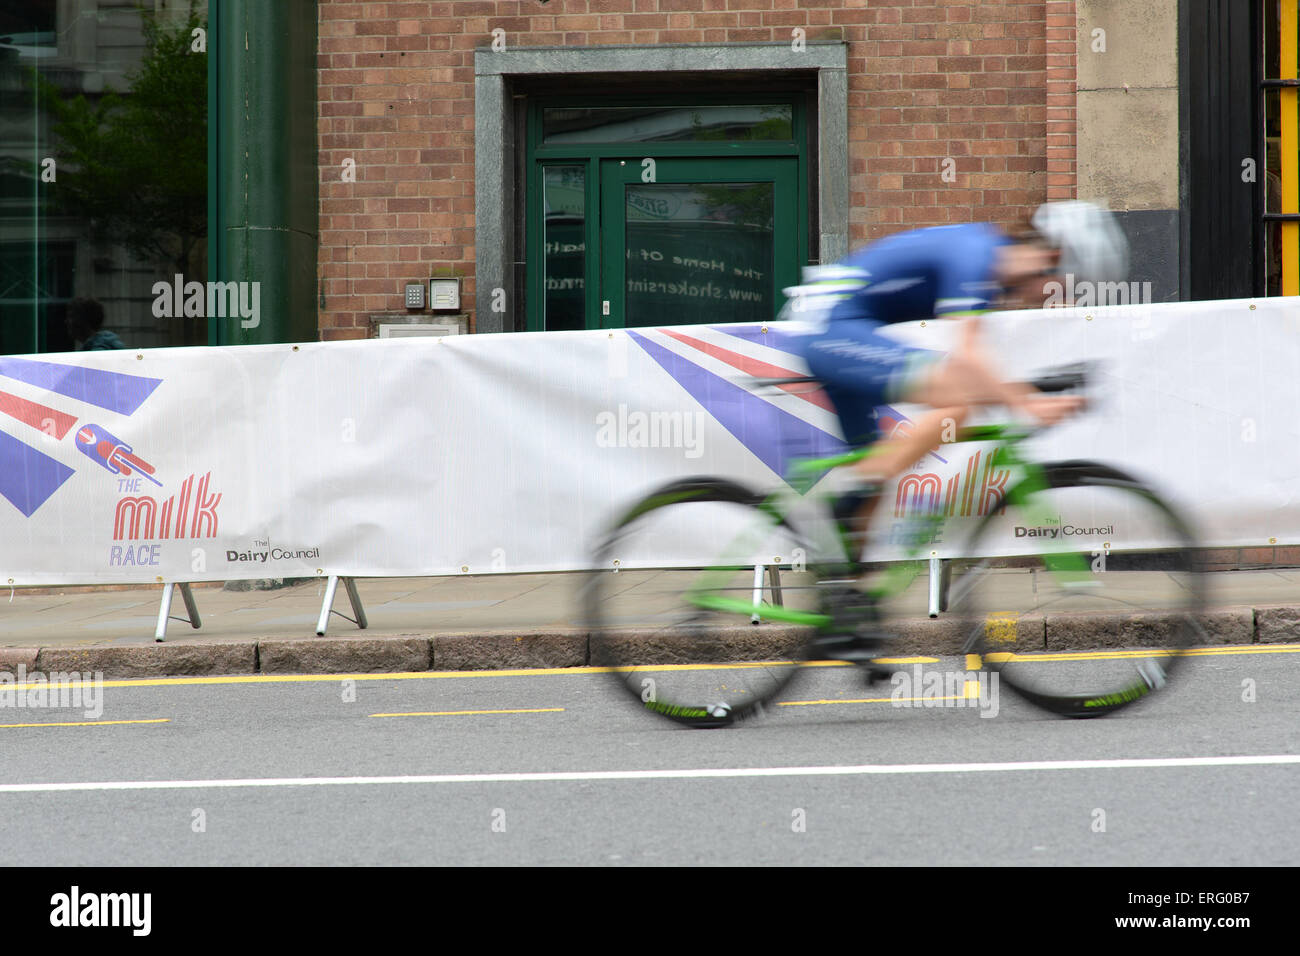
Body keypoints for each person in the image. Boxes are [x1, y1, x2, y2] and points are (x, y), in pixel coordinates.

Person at [789, 200, 1130, 659]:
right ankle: (851, 509)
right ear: (1051, 257)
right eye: (1063, 282)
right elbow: (968, 359)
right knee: (956, 403)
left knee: (874, 479)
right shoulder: (977, 255)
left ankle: (852, 615)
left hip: (837, 328)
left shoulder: (989, 270)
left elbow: (979, 370)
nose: (1060, 295)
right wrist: (1028, 402)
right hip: (833, 329)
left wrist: (1024, 392)